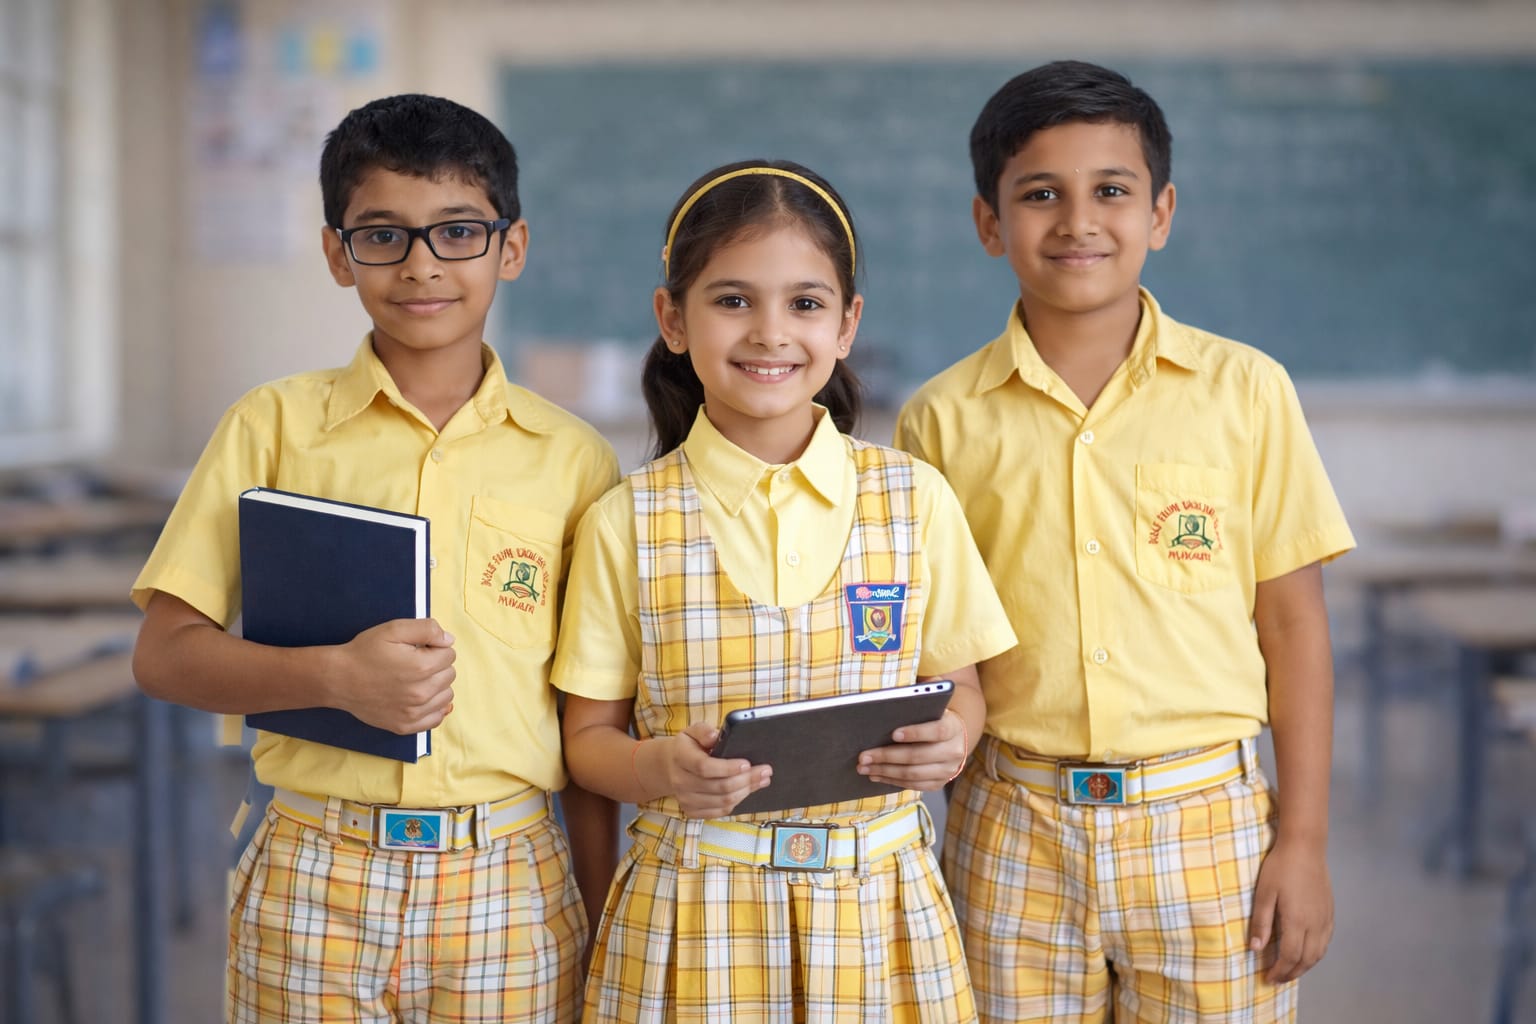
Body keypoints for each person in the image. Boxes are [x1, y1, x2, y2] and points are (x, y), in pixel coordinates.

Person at [130, 93, 620, 1023]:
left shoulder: (575, 460)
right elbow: (164, 655)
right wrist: (335, 678)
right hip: (313, 870)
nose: (422, 265)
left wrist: (603, 925)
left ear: (510, 249)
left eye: (457, 233)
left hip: (510, 881)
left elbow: (589, 721)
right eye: (383, 235)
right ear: (336, 253)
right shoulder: (272, 427)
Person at [894, 61, 1357, 1023]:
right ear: (989, 223)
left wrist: (1303, 840)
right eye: (1039, 195)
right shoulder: (940, 421)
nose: (1078, 222)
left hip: (1209, 826)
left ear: (1162, 212)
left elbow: (1295, 625)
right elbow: (937, 650)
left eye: (1112, 190)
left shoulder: (1247, 391)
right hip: (1011, 826)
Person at [551, 159, 1017, 1023]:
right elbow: (587, 740)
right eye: (732, 300)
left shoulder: (915, 500)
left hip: (880, 909)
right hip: (690, 917)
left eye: (805, 303)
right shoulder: (627, 520)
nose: (770, 332)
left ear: (847, 326)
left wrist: (951, 740)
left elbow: (963, 691)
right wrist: (656, 767)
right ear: (672, 320)